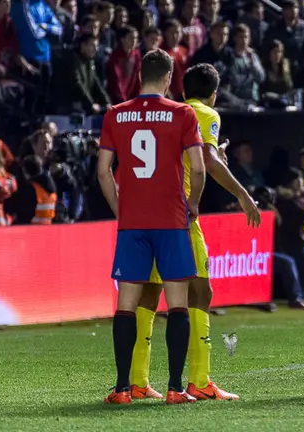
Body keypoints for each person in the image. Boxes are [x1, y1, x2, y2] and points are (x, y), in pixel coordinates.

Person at [128, 63, 261, 401]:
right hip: (180, 216)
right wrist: (244, 196)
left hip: (148, 213)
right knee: (200, 292)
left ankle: (138, 381)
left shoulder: (167, 113)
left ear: (183, 90)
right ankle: (199, 380)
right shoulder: (206, 114)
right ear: (213, 94)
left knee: (148, 292)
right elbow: (209, 162)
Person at [97, 49, 206, 405]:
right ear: (169, 78)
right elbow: (200, 169)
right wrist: (192, 204)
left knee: (126, 304)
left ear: (139, 75)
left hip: (134, 224)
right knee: (177, 304)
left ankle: (123, 389)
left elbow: (102, 171)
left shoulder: (116, 114)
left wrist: (120, 209)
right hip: (172, 222)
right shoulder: (182, 113)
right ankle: (175, 388)